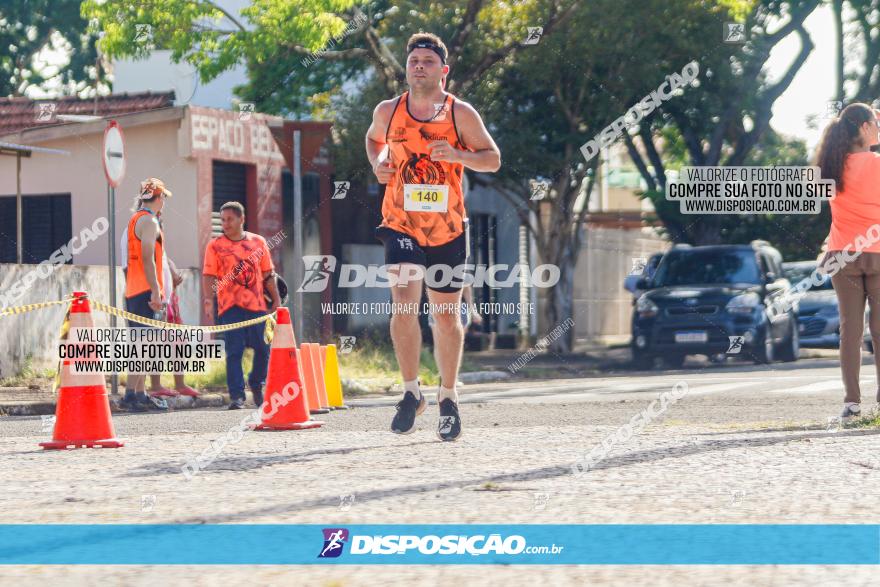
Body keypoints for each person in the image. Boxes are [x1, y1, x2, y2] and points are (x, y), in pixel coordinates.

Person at [364, 32, 501, 440]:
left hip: (447, 227)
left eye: (426, 60)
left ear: (444, 70)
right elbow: (373, 142)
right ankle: (410, 393)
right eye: (413, 61)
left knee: (445, 314)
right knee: (404, 303)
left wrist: (458, 155)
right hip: (401, 221)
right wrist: (378, 165)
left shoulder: (461, 114)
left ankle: (448, 396)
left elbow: (492, 159)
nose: (418, 66)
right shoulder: (389, 111)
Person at [815, 103, 880, 420]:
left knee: (849, 331)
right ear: (866, 128)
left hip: (842, 255)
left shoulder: (831, 166)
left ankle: (852, 403)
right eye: (875, 125)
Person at [202, 202, 281, 410]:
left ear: (241, 219)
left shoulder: (258, 242)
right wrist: (209, 301)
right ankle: (236, 396)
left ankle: (256, 383)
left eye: (229, 219)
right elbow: (209, 276)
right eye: (222, 220)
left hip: (257, 307)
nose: (225, 224)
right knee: (234, 351)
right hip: (229, 306)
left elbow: (267, 273)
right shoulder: (215, 246)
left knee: (263, 349)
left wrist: (276, 299)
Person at [120, 215, 199, 399]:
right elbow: (131, 266)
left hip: (164, 300)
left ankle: (141, 393)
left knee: (160, 344)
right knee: (144, 346)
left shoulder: (157, 241)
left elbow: (160, 262)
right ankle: (138, 392)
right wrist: (147, 293)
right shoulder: (134, 231)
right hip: (146, 298)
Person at [119, 178, 172, 411]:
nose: (164, 203)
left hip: (134, 289)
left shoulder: (135, 219)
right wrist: (155, 290)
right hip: (144, 291)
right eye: (164, 199)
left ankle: (139, 393)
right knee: (144, 346)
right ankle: (130, 395)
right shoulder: (149, 221)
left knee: (141, 344)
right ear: (158, 198)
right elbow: (148, 258)